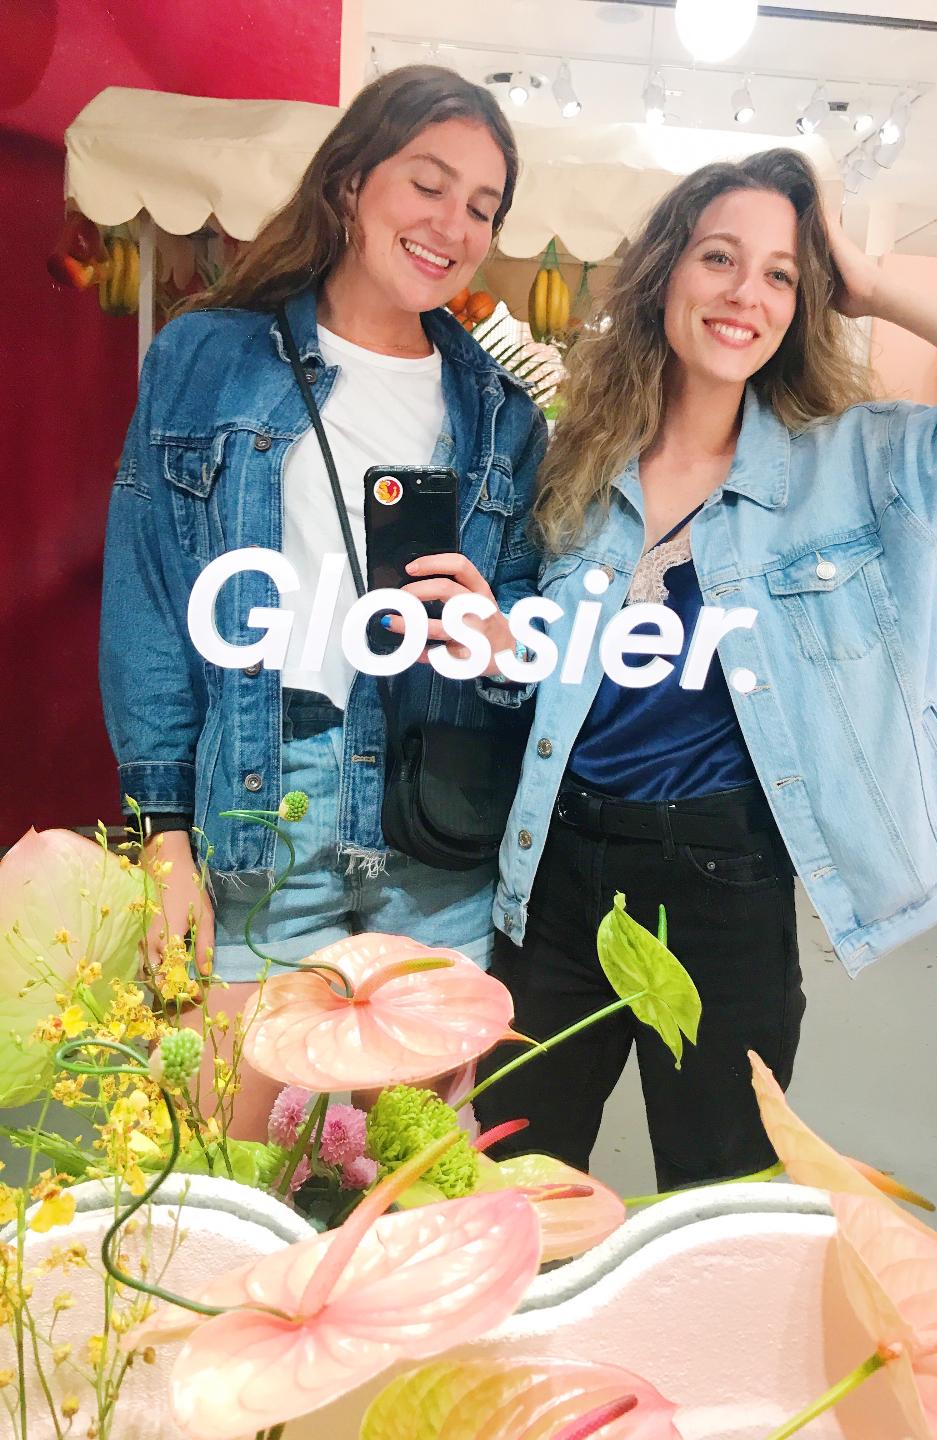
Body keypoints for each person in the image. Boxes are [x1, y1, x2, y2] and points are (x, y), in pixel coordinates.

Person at [474, 149, 937, 1190]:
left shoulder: (859, 466)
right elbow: (554, 679)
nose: (744, 294)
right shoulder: (579, 465)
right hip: (556, 867)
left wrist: (873, 285)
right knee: (512, 1175)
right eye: (719, 257)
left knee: (720, 1191)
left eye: (781, 274)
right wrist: (501, 652)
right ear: (666, 270)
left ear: (806, 304)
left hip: (723, 879)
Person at [99, 66, 545, 1132]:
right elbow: (151, 599)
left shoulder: (504, 414)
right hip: (264, 798)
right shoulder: (205, 360)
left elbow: (530, 616)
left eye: (482, 207)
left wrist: (500, 640)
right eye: (427, 185)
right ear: (350, 183)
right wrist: (163, 833)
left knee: (408, 1172)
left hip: (435, 813)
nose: (453, 225)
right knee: (238, 1157)